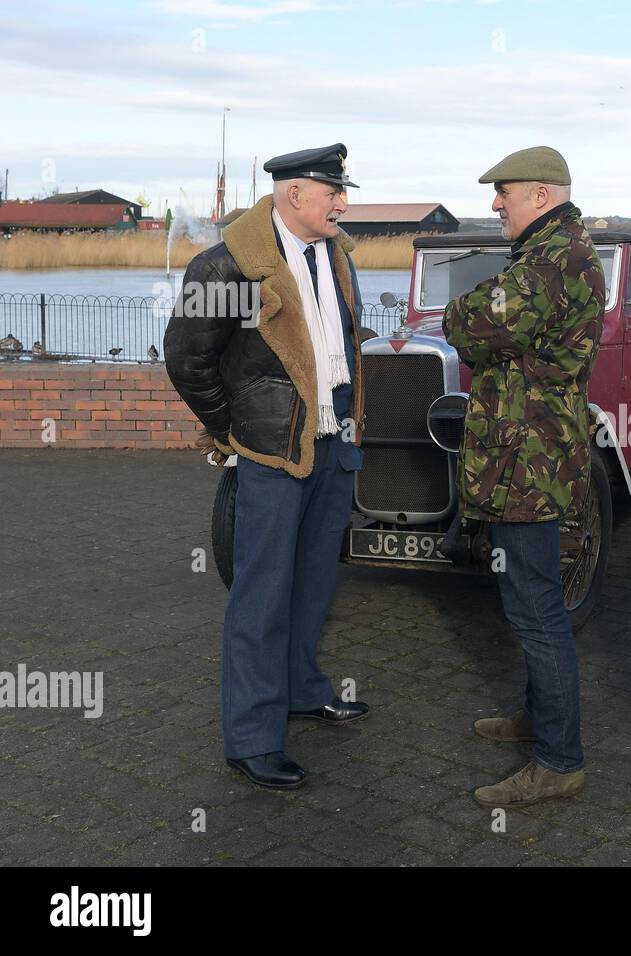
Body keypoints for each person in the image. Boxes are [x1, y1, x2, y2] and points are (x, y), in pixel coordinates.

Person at [164, 143, 369, 790]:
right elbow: (187, 358)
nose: (344, 202)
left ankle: (303, 690)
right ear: (293, 195)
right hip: (273, 448)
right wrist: (233, 429)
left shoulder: (337, 255)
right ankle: (251, 739)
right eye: (333, 192)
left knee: (313, 579)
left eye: (343, 191)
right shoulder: (227, 267)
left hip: (334, 438)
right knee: (260, 594)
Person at [442, 146, 606, 807]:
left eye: (504, 192)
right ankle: (540, 719)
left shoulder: (551, 259)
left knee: (535, 608)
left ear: (540, 194)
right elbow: (490, 326)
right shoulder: (555, 251)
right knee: (532, 599)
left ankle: (560, 760)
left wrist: (465, 313)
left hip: (526, 461)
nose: (494, 204)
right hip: (528, 453)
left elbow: (470, 322)